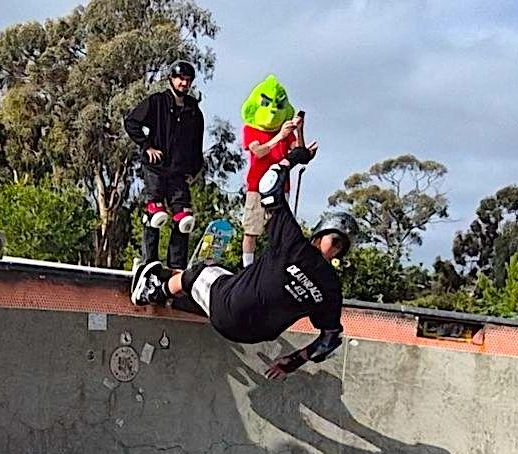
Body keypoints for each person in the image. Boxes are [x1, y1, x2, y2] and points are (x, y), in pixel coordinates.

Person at [130, 145, 355, 380]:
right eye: (337, 241)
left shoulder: (294, 244)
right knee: (230, 278)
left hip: (229, 308)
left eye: (339, 244)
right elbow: (329, 339)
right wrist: (293, 361)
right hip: (250, 335)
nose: (336, 247)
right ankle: (182, 302)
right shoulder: (330, 288)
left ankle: (153, 290)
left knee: (201, 271)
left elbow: (268, 185)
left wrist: (295, 157)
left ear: (318, 234)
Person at [123, 59, 205, 271]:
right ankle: (149, 261)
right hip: (156, 167)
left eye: (187, 81)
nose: (183, 84)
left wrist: (195, 169)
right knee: (156, 214)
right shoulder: (157, 102)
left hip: (179, 172)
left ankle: (177, 266)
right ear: (171, 79)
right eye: (180, 79)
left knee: (184, 220)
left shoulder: (194, 111)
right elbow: (131, 122)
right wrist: (147, 146)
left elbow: (197, 144)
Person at [239, 74, 311, 267]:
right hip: (257, 186)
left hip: (281, 188)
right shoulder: (251, 129)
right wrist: (279, 136)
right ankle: (247, 266)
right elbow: (258, 151)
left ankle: (274, 267)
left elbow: (300, 153)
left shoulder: (287, 132)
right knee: (251, 229)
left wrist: (299, 130)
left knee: (278, 231)